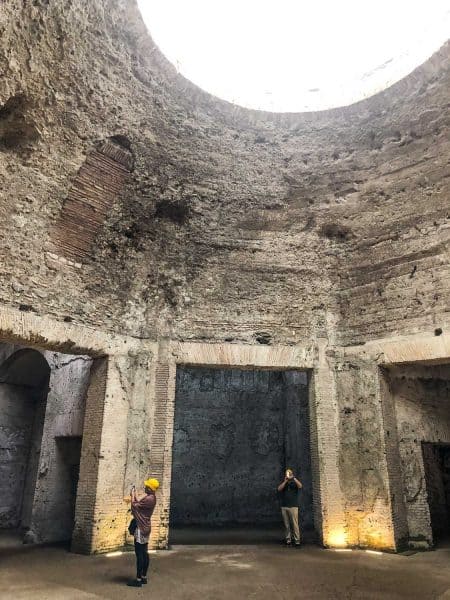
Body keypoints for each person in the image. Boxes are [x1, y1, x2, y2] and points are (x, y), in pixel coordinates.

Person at [127, 477, 160, 587]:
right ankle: (144, 577)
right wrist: (135, 494)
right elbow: (138, 504)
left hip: (140, 528)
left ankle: (138, 580)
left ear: (150, 489)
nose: (145, 487)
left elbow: (134, 506)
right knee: (144, 552)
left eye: (147, 486)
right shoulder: (151, 498)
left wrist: (132, 495)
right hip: (146, 527)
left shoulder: (149, 499)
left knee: (139, 554)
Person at [277, 468, 302, 547]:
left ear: (292, 474)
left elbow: (300, 486)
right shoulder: (284, 482)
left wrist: (294, 478)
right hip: (284, 506)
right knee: (286, 525)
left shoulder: (295, 482)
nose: (288, 475)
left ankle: (297, 541)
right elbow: (279, 489)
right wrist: (285, 481)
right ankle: (288, 540)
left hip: (293, 506)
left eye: (289, 473)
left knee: (295, 524)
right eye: (287, 473)